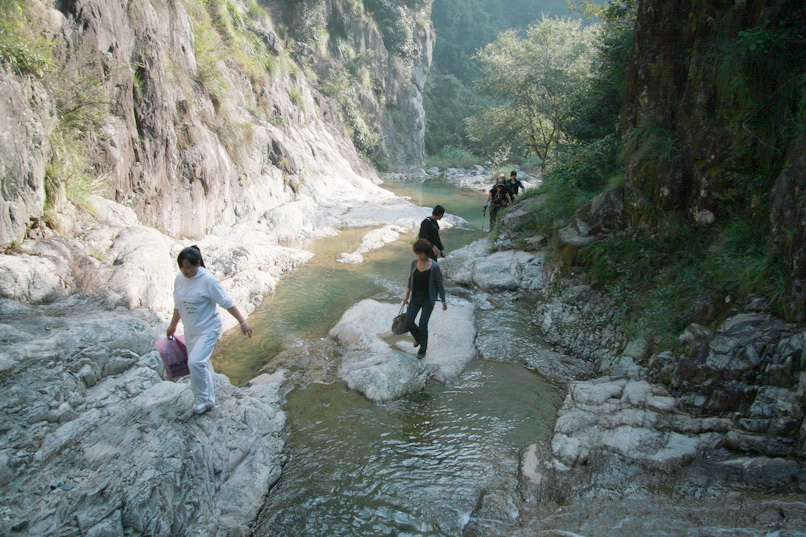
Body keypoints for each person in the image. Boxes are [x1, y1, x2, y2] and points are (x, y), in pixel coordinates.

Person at [167, 245, 252, 414]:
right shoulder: (179, 279)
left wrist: (243, 323)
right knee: (201, 365)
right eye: (182, 267)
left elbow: (227, 302)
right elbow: (179, 305)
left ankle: (200, 400)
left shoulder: (208, 280)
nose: (185, 271)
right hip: (191, 329)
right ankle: (209, 401)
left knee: (195, 362)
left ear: (198, 265)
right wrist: (173, 325)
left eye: (189, 267)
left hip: (209, 328)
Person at [403, 239, 447, 359]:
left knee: (423, 324)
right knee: (408, 322)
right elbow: (410, 280)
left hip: (428, 300)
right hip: (415, 298)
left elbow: (439, 284)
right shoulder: (414, 263)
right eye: (416, 253)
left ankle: (423, 350)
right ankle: (418, 337)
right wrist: (406, 296)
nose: (418, 255)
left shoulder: (435, 267)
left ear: (426, 252)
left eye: (420, 253)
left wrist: (443, 300)